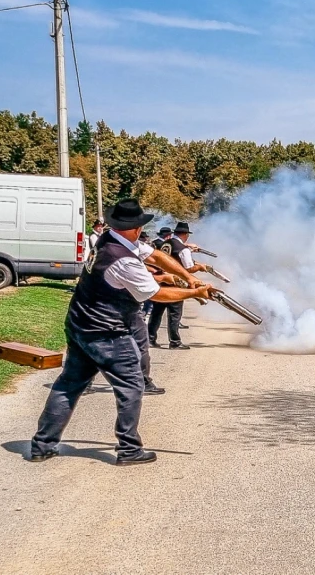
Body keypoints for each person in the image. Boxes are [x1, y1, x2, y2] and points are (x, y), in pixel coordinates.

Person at [29, 199, 212, 466]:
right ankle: (129, 449)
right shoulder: (123, 260)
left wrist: (189, 276)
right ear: (136, 228)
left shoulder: (109, 239)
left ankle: (42, 445)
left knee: (68, 385)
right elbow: (156, 294)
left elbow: (156, 256)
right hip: (106, 331)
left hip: (81, 323)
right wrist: (195, 292)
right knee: (132, 385)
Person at [147, 222, 208, 349]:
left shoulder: (165, 243)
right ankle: (174, 341)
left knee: (156, 313)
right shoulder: (183, 249)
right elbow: (188, 269)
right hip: (176, 284)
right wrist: (200, 267)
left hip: (162, 282)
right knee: (175, 314)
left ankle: (150, 339)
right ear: (186, 235)